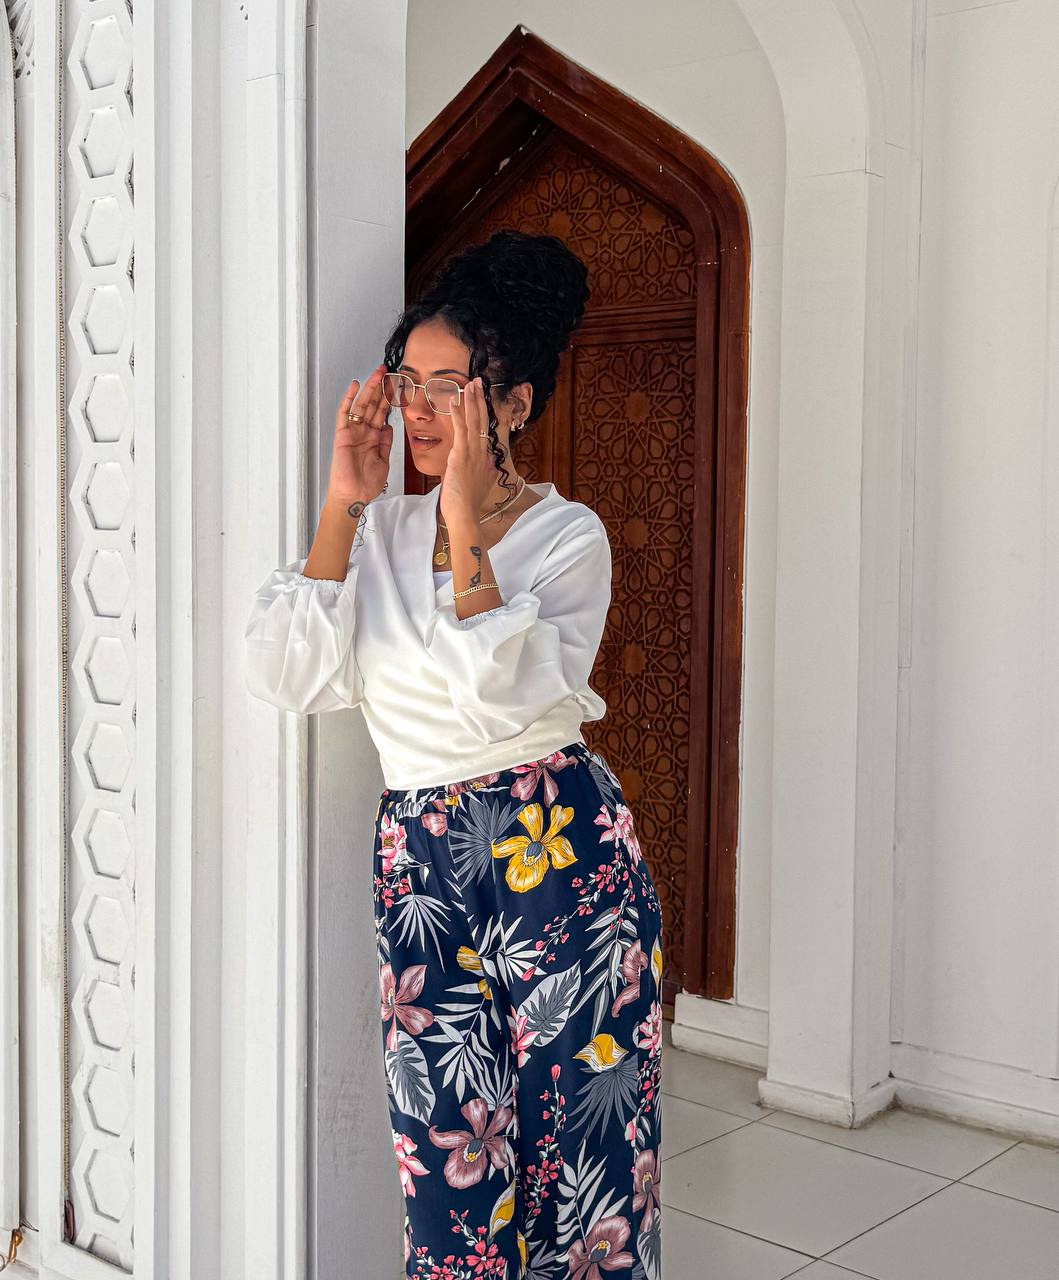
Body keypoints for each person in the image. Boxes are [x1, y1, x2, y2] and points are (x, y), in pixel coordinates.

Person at [245, 230, 664, 1280]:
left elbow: (500, 695)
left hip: (556, 845)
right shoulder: (379, 530)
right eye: (407, 382)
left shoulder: (568, 537)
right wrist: (344, 501)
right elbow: (292, 677)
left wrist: (466, 516)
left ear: (512, 404)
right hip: (420, 858)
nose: (420, 409)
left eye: (450, 386)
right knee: (445, 1153)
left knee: (583, 1148)